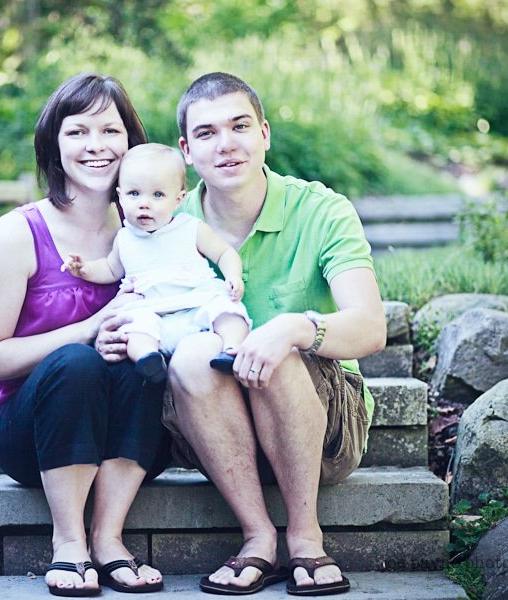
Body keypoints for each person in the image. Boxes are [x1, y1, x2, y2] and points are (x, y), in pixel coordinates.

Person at [99, 72, 386, 595]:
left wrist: (295, 329)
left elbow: (370, 326)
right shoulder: (160, 217)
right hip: (211, 428)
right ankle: (257, 537)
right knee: (191, 356)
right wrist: (110, 334)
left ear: (265, 134)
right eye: (206, 133)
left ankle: (305, 536)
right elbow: (126, 295)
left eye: (240, 126)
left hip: (323, 428)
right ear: (186, 151)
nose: (226, 144)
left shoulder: (321, 210)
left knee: (272, 350)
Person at [0, 73, 171, 597]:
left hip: (129, 430)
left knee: (141, 358)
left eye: (111, 131)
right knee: (79, 362)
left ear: (132, 142)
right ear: (54, 146)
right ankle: (69, 544)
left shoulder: (156, 229)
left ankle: (109, 541)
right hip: (32, 435)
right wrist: (85, 332)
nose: (97, 147)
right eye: (78, 132)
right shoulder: (18, 234)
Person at [61, 142, 251, 384]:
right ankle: (149, 360)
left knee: (227, 311)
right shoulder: (124, 238)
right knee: (135, 328)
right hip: (152, 309)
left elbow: (224, 253)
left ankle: (232, 350)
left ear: (179, 199)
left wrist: (232, 276)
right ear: (120, 196)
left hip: (197, 301)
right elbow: (110, 268)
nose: (144, 203)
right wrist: (84, 269)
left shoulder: (190, 228)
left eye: (158, 195)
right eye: (134, 194)